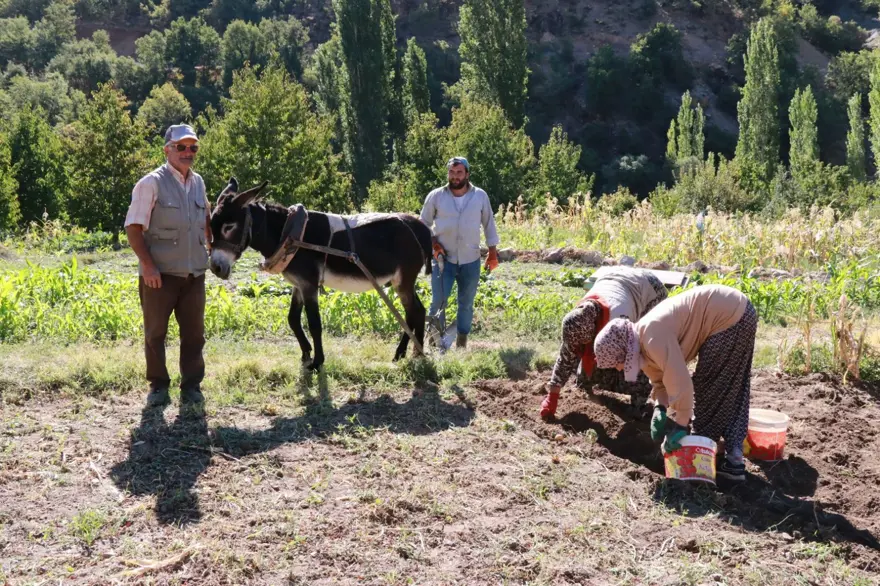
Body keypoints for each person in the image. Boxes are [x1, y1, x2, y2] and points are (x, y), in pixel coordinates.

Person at [593, 284, 758, 482]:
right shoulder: (640, 345)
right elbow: (660, 382)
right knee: (732, 387)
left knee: (709, 388)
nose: (619, 369)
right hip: (737, 311)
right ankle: (733, 459)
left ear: (623, 352)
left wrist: (680, 427)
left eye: (616, 363)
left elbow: (682, 383)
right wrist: (660, 408)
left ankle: (701, 460)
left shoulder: (652, 337)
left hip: (728, 314)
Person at [124, 124, 212, 407]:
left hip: (194, 274)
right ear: (167, 150)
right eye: (181, 147)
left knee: (194, 335)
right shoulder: (150, 183)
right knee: (155, 334)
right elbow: (133, 227)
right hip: (159, 276)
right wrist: (148, 266)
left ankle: (192, 386)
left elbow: (206, 217)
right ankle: (159, 386)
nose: (188, 152)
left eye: (193, 147)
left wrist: (211, 246)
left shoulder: (198, 182)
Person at [540, 267, 668, 419]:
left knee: (642, 354)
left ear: (595, 333)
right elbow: (566, 355)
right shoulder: (579, 318)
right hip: (615, 279)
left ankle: (638, 406)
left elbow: (636, 354)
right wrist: (552, 396)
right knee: (594, 363)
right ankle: (586, 383)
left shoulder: (619, 321)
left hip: (650, 289)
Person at [419, 156, 500, 349]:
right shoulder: (436, 196)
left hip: (470, 260)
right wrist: (433, 244)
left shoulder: (480, 196)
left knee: (466, 303)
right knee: (438, 301)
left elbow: (489, 224)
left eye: (459, 173)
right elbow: (423, 225)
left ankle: (461, 342)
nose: (455, 176)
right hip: (442, 260)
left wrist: (493, 253)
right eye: (452, 172)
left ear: (467, 174)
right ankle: (435, 343)